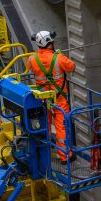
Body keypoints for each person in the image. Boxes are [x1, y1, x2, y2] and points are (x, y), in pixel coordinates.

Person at [26, 30, 76, 161]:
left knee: (44, 125)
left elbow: (30, 67)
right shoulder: (59, 58)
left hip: (42, 99)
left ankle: (44, 155)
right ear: (49, 43)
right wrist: (59, 55)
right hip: (59, 99)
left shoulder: (32, 59)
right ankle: (65, 157)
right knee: (61, 127)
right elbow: (71, 67)